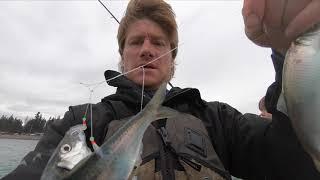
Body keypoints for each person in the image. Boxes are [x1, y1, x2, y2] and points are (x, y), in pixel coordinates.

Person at [3, 0, 320, 179]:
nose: (146, 50)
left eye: (158, 43)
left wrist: (292, 52)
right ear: (122, 55)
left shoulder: (218, 119)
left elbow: (297, 163)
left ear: (173, 58)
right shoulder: (81, 124)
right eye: (135, 42)